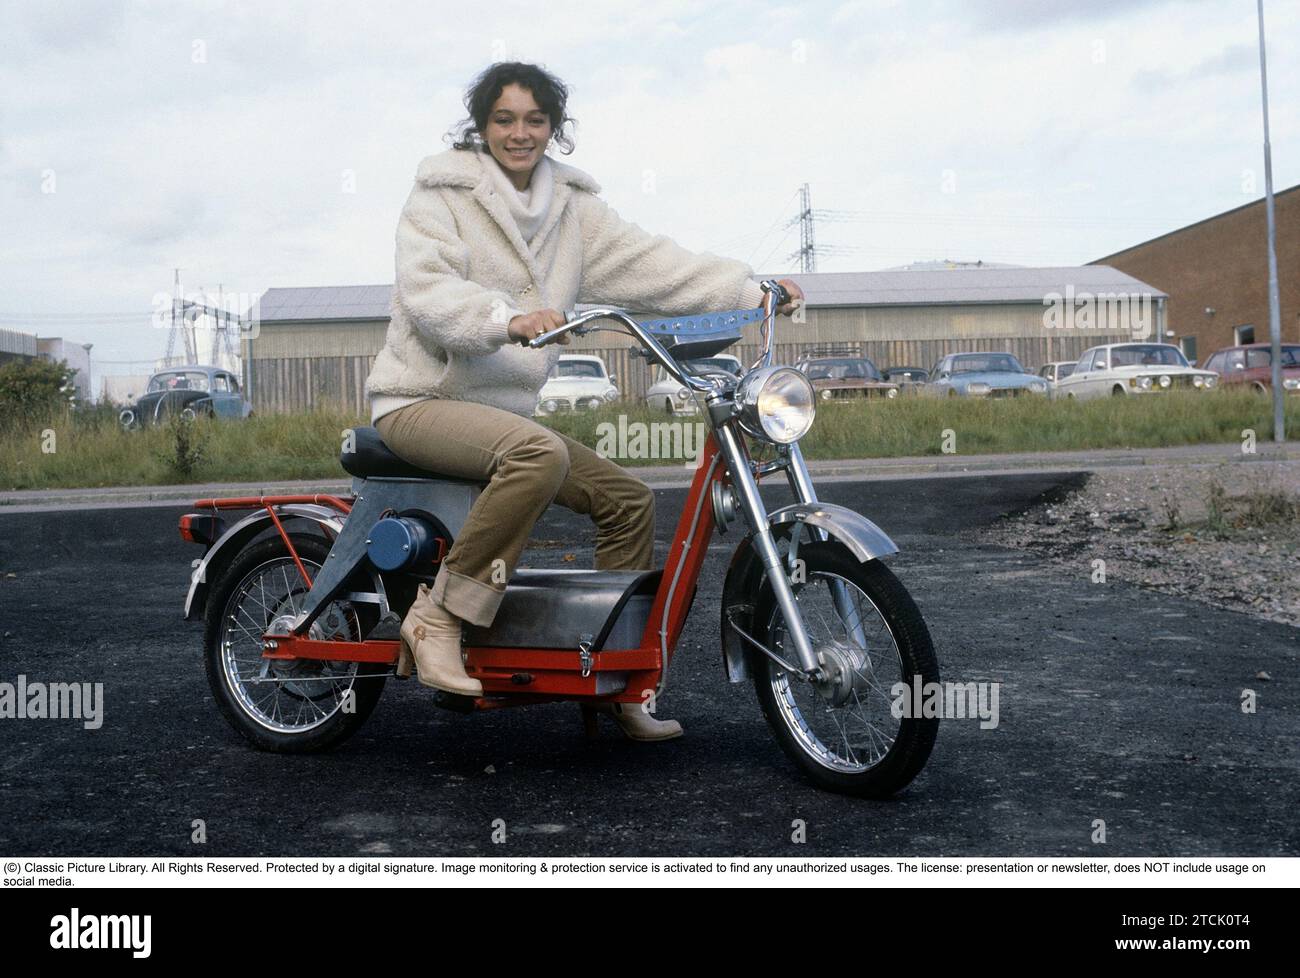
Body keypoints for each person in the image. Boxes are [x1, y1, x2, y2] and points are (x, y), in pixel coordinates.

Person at [364, 62, 803, 741]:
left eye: (535, 120)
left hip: (502, 419)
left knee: (625, 499)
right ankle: (439, 617)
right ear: (480, 125)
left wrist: (750, 288)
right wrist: (502, 318)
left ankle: (615, 686)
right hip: (418, 402)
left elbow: (655, 263)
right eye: (504, 119)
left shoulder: (572, 212)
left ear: (553, 128)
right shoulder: (439, 196)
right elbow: (427, 293)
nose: (520, 133)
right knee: (535, 454)